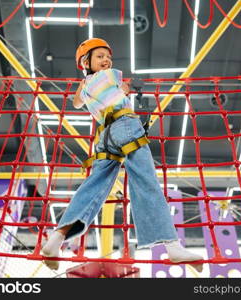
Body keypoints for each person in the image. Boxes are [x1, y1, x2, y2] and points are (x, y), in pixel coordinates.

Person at [41, 38, 203, 272]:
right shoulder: (112, 75)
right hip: (125, 126)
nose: (106, 60)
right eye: (99, 57)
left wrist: (84, 76)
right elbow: (122, 88)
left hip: (104, 138)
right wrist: (126, 88)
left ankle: (57, 238)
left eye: (108, 57)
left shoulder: (86, 85)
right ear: (87, 61)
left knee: (93, 187)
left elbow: (76, 103)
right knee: (145, 181)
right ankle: (172, 246)